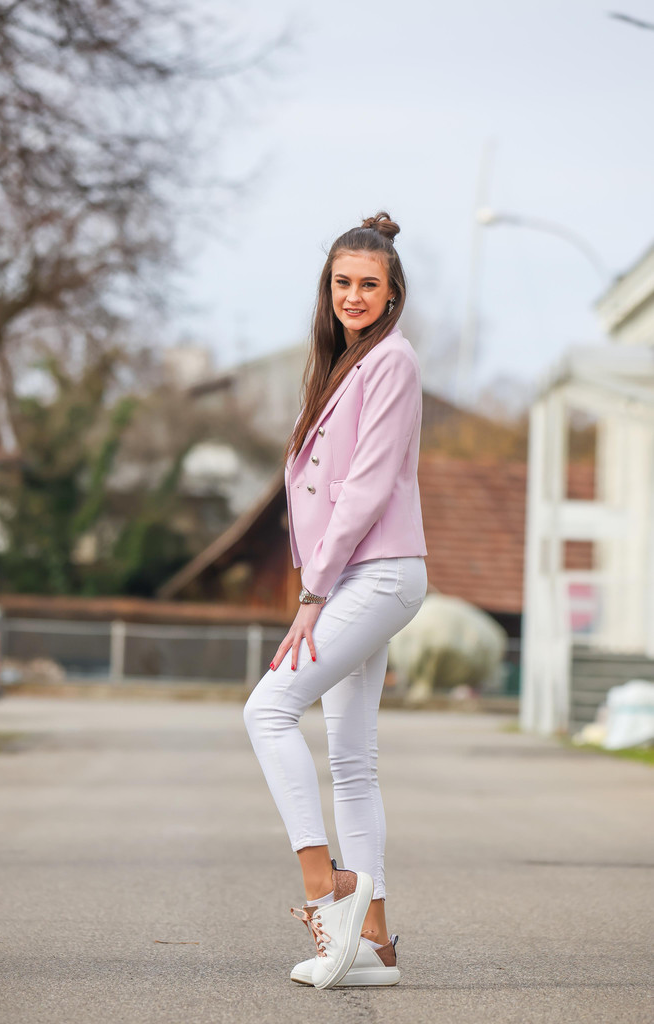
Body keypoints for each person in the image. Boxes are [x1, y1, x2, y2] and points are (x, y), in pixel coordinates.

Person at [243, 211, 427, 989]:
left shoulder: (391, 362)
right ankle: (374, 945)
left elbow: (365, 487)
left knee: (267, 710)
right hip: (358, 574)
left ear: (392, 295)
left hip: (374, 574)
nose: (353, 295)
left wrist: (313, 592)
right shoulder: (342, 366)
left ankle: (328, 893)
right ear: (329, 290)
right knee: (351, 763)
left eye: (368, 285)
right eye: (341, 282)